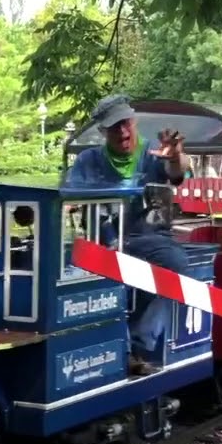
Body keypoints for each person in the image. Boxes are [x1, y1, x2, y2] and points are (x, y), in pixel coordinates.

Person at [63, 94, 192, 375]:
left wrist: (176, 155)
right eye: (113, 127)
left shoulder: (152, 155)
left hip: (150, 238)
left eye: (125, 123)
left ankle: (138, 343)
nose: (122, 131)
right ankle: (85, 351)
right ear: (103, 132)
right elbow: (68, 197)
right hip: (105, 242)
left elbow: (177, 171)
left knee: (178, 268)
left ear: (133, 121)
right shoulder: (88, 160)